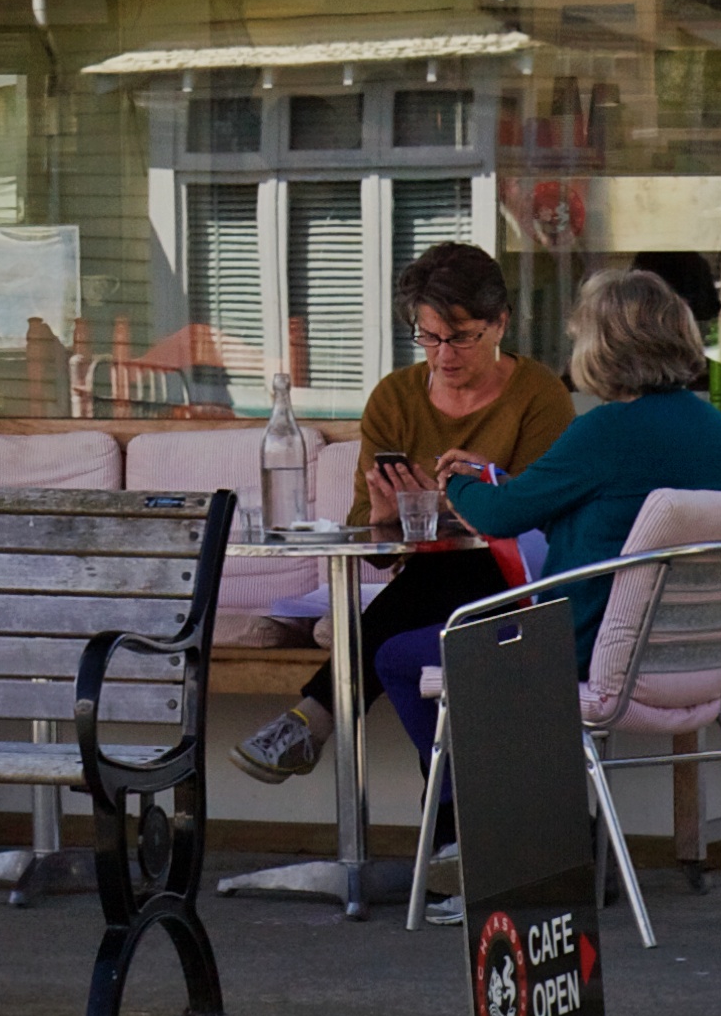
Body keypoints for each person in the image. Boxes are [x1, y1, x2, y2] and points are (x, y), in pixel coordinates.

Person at [367, 265, 721, 762]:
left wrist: (453, 480)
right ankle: (517, 814)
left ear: (601, 347)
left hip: (580, 648)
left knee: (398, 657)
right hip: (693, 662)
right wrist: (500, 482)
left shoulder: (607, 430)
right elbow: (600, 512)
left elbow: (498, 517)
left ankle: (464, 817)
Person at [230, 240, 563, 781]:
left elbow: (541, 518)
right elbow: (378, 552)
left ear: (500, 323)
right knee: (416, 616)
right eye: (429, 337)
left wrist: (463, 498)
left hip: (519, 587)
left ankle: (313, 717)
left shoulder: (539, 395)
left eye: (461, 337)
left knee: (440, 579)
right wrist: (387, 514)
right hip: (427, 594)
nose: (444, 355)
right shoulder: (395, 398)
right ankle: (452, 843)